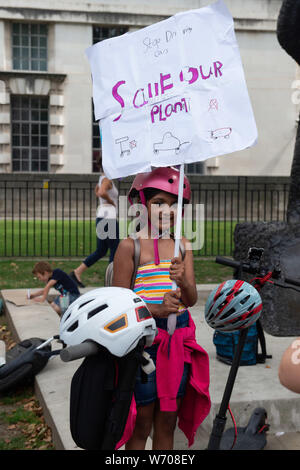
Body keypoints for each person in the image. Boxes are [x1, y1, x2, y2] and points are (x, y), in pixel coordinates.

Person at [112, 167, 210, 451]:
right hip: (145, 346)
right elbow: (120, 306)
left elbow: (189, 299)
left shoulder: (183, 245)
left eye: (174, 204)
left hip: (177, 344)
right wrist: (155, 309)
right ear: (141, 205)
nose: (167, 211)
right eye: (158, 203)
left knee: (168, 421)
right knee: (142, 421)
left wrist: (183, 281)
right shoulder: (130, 246)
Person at [70, 173, 120, 288]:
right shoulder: (107, 179)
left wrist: (103, 196)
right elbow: (101, 192)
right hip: (109, 218)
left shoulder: (101, 178)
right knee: (115, 249)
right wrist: (111, 202)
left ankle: (77, 272)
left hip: (102, 217)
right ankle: (111, 281)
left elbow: (97, 191)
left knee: (101, 250)